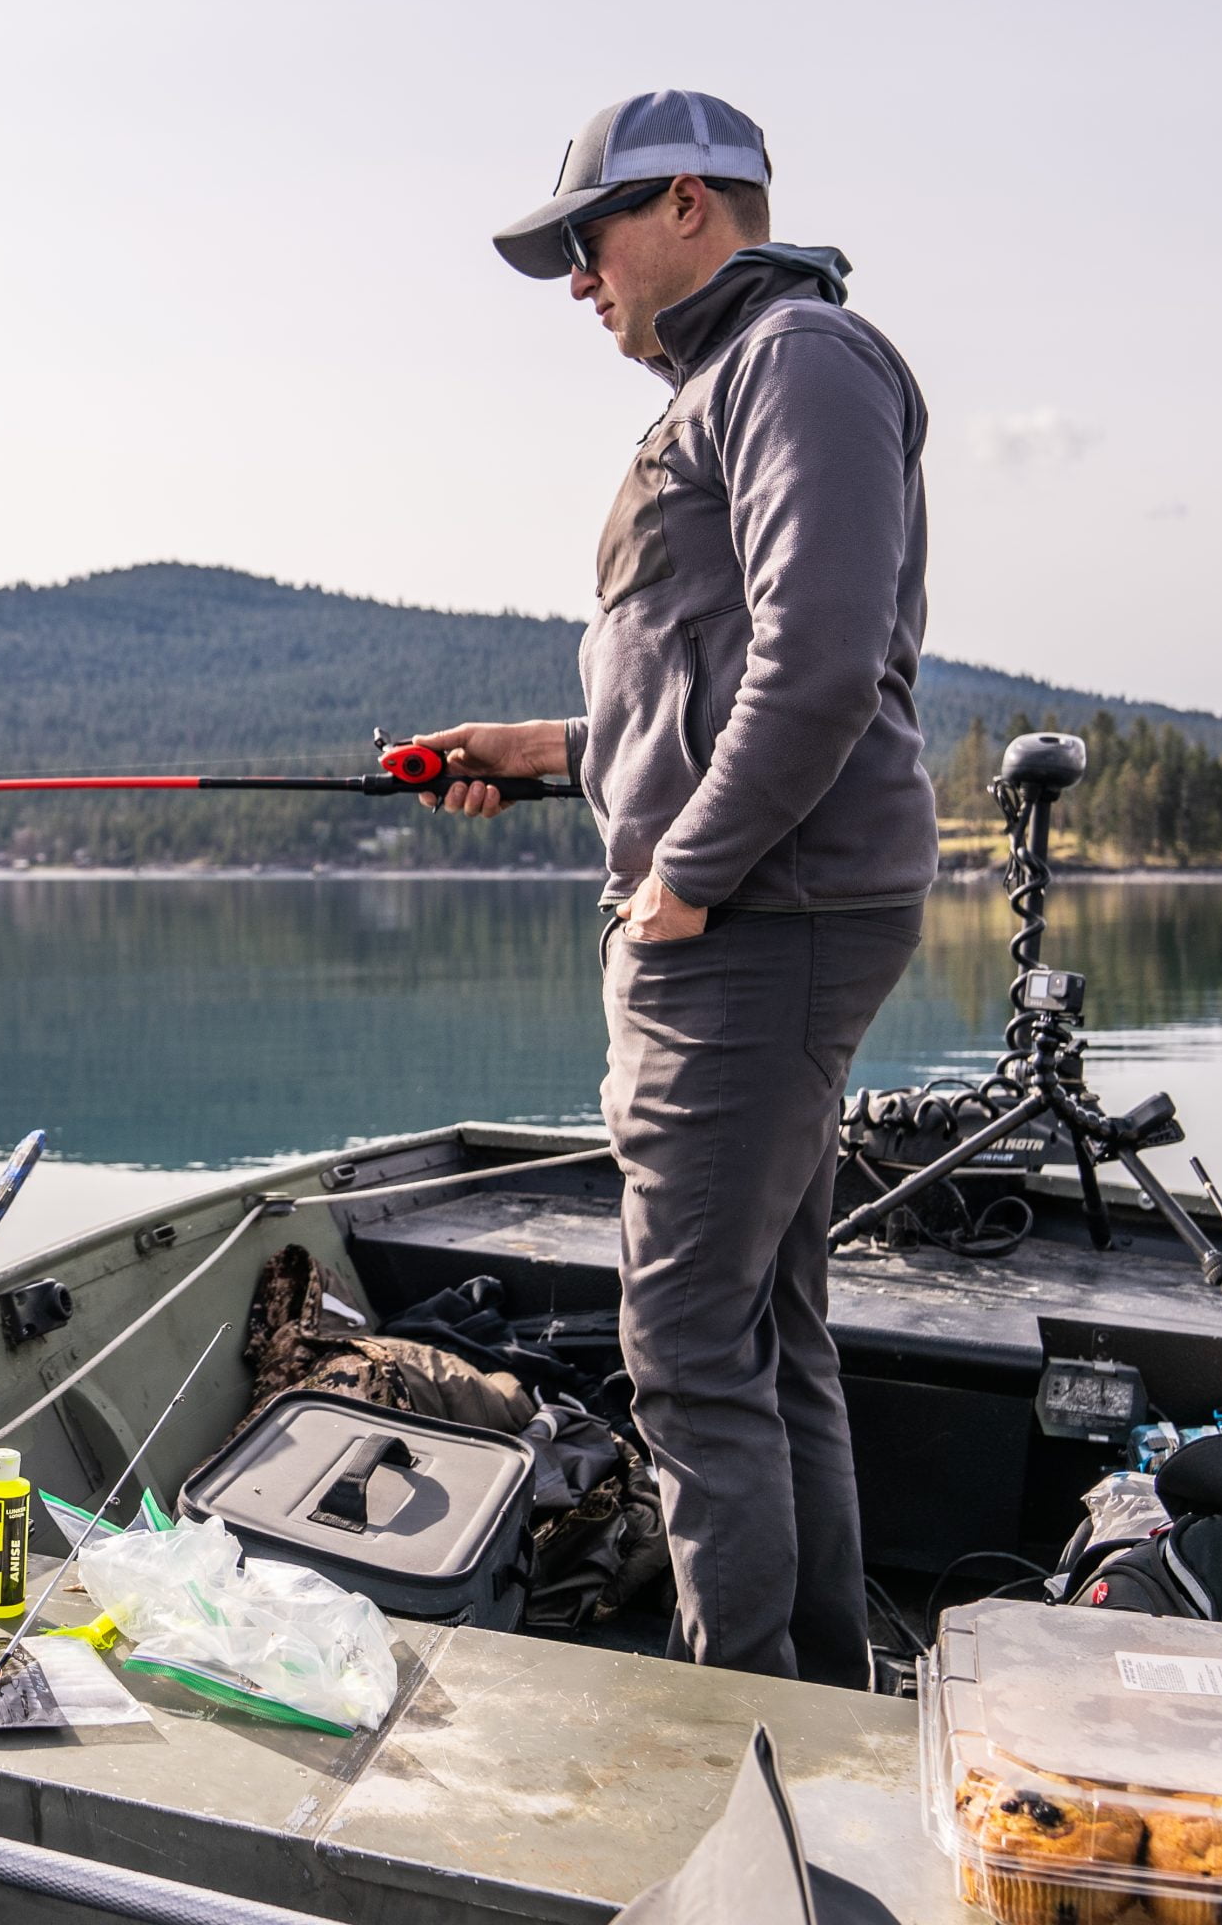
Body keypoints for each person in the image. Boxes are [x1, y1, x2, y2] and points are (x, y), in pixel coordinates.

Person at [412, 90, 936, 1687]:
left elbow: (825, 658)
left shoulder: (798, 363)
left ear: (692, 204)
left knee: (688, 1347)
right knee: (760, 1338)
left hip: (755, 922)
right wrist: (554, 746)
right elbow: (706, 684)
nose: (580, 276)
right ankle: (823, 1703)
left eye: (591, 237)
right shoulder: (733, 384)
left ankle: (737, 1743)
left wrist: (687, 879)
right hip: (747, 913)